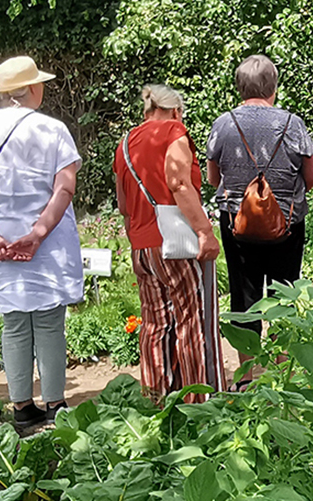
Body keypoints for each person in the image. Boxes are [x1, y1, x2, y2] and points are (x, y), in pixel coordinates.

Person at [0, 56, 83, 425]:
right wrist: (39, 232)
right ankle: (56, 404)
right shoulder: (53, 129)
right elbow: (64, 187)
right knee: (48, 321)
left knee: (13, 322)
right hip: (49, 241)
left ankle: (22, 407)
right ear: (33, 89)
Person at [204, 55, 313, 388]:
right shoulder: (292, 123)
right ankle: (282, 376)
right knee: (284, 294)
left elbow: (213, 178)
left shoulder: (224, 124)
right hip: (287, 225)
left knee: (244, 297)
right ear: (274, 87)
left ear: (240, 86)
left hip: (238, 225)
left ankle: (247, 379)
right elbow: (310, 177)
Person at [114, 84, 226, 403]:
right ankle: (200, 401)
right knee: (191, 320)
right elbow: (178, 182)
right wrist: (204, 232)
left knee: (154, 325)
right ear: (175, 110)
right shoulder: (174, 130)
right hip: (174, 245)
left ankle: (156, 400)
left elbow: (123, 204)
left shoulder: (124, 143)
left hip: (141, 246)